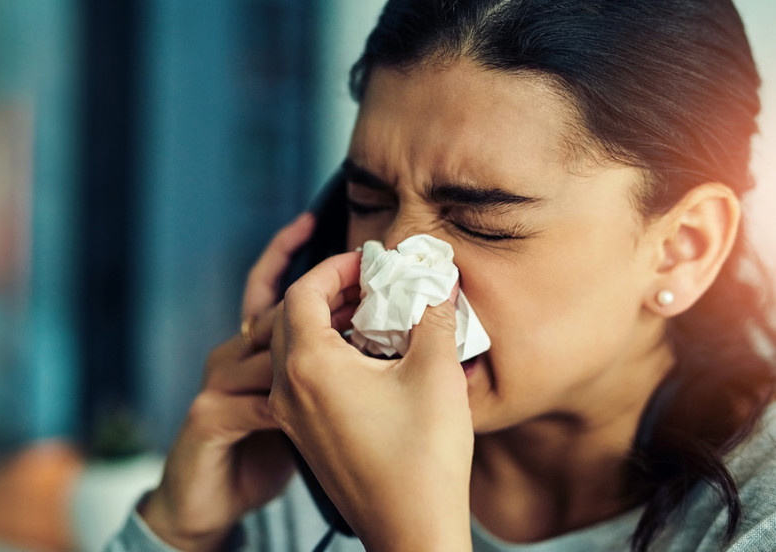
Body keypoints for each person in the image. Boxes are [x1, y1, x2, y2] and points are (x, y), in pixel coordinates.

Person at [109, 0, 776, 550]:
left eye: (480, 222)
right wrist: (180, 529)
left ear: (682, 248)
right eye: (368, 203)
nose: (390, 270)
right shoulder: (301, 442)